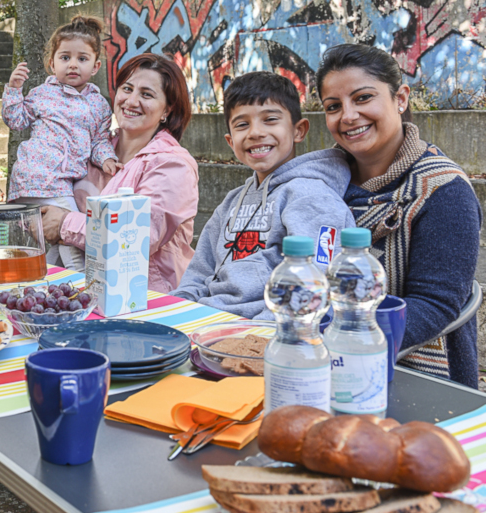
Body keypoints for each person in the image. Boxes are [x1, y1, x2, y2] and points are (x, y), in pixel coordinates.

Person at [316, 44, 481, 387]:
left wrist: (338, 340)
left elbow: (434, 305)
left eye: (363, 98)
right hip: (316, 357)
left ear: (401, 98)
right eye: (334, 106)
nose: (347, 116)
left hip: (412, 374)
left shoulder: (443, 190)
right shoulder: (317, 183)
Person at [170, 71, 355, 319]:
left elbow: (316, 284)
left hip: (263, 330)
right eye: (242, 124)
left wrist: (258, 334)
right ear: (230, 141)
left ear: (299, 131)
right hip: (207, 320)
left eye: (270, 120)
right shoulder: (232, 202)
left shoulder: (311, 197)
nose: (255, 132)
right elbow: (199, 273)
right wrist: (174, 313)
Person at [39, 53, 200, 293]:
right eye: (127, 89)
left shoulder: (172, 164)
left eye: (146, 94)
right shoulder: (93, 150)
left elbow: (138, 238)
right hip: (79, 291)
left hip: (146, 298)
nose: (131, 101)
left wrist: (64, 223)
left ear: (167, 109)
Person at [3, 15, 118, 271]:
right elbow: (16, 120)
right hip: (33, 179)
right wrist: (13, 90)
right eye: (65, 58)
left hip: (61, 183)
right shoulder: (42, 93)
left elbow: (99, 141)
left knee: (49, 245)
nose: (73, 65)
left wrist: (107, 158)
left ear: (96, 66)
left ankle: (49, 288)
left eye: (82, 59)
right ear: (52, 64)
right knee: (69, 232)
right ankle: (83, 282)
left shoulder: (99, 105)